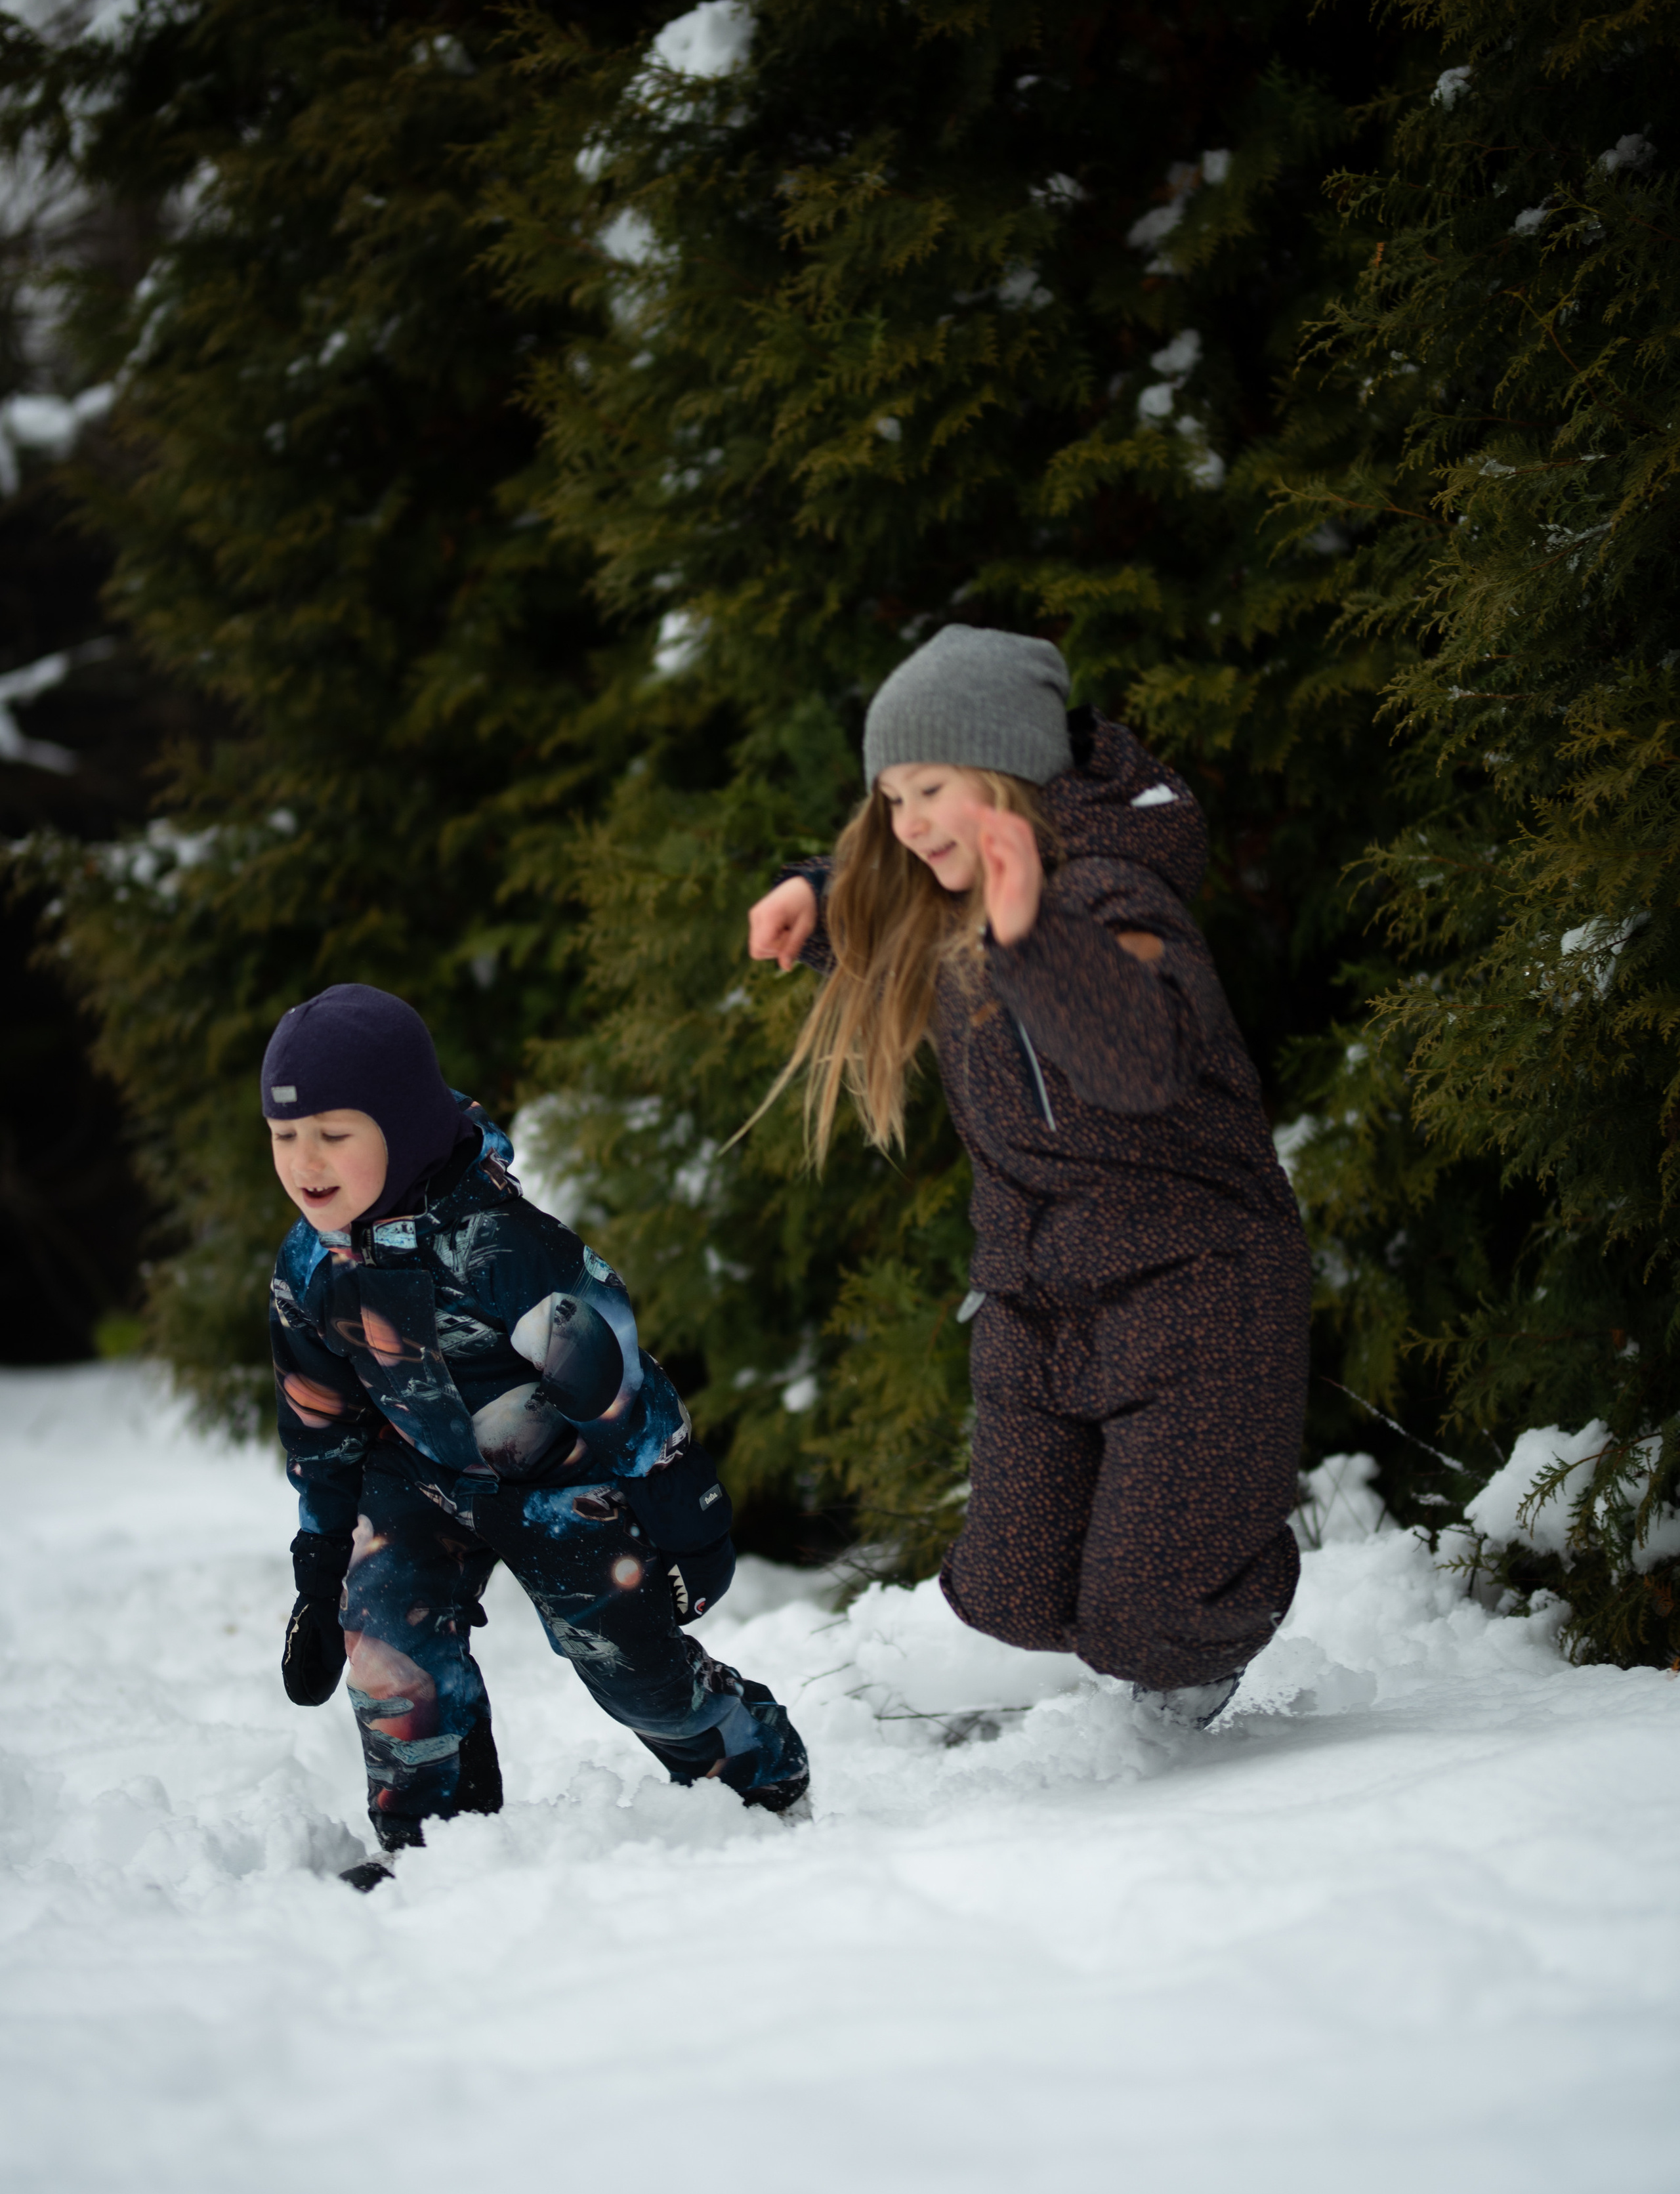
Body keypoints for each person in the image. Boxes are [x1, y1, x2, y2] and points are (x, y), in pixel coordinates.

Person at [746, 623, 1310, 1727]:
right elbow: (888, 915)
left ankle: (1220, 1572)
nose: (907, 824)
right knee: (1008, 1591)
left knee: (1145, 1621)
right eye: (891, 798)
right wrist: (816, 898)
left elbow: (1139, 1061)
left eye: (931, 790)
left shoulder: (1114, 898)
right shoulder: (946, 893)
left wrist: (1037, 936)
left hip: (1197, 1289)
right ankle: (1171, 1561)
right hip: (1044, 1298)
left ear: (1007, 772)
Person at [263, 982, 808, 1884]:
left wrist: (688, 1517)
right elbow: (320, 1426)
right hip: (419, 1474)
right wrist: (321, 1573)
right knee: (386, 1629)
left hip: (556, 1482)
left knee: (633, 1665)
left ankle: (757, 1766)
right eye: (285, 1135)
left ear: (399, 1125)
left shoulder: (500, 1247)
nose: (305, 1160)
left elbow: (616, 1380)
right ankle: (435, 1843)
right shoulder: (307, 1265)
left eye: (333, 1132)